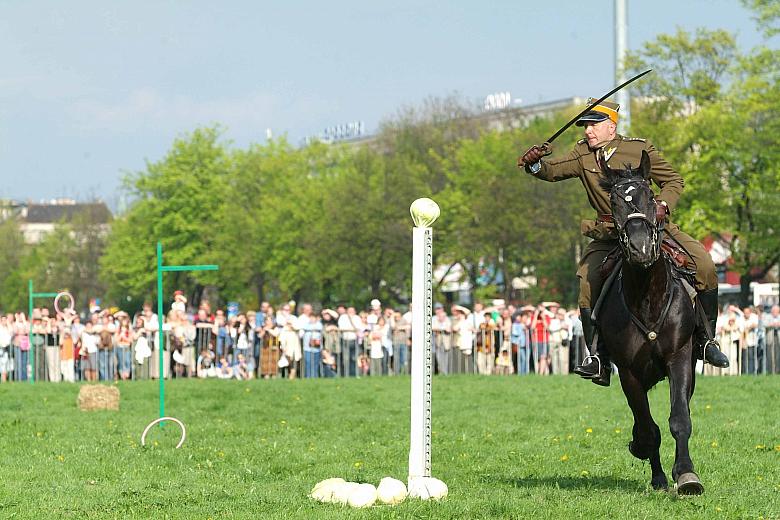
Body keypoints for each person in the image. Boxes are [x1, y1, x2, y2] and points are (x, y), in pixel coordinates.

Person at [519, 98, 729, 386]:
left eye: (593, 125)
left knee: (704, 264)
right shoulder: (581, 155)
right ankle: (597, 358)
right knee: (586, 284)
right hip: (608, 233)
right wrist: (534, 165)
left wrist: (662, 206)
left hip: (650, 228)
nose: (587, 131)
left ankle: (706, 341)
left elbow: (674, 181)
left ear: (611, 127)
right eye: (585, 126)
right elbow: (552, 171)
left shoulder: (638, 148)